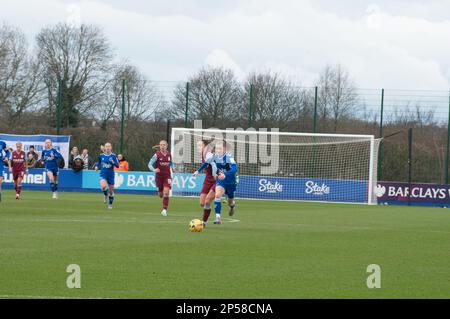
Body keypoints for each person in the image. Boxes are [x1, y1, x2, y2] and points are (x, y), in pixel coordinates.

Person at [194, 140, 238, 224]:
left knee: (230, 201)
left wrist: (225, 174)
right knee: (217, 195)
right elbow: (206, 162)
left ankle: (232, 206)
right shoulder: (215, 156)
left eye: (220, 148)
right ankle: (218, 218)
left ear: (224, 149)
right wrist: (197, 171)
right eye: (217, 148)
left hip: (231, 182)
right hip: (221, 181)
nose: (218, 150)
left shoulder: (229, 157)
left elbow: (235, 169)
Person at [148, 140, 174, 217]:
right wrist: (153, 169)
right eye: (161, 145)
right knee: (160, 194)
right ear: (159, 146)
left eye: (164, 145)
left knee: (166, 192)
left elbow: (171, 163)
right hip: (159, 177)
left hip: (167, 176)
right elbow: (149, 164)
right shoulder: (157, 155)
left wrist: (173, 168)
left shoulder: (169, 154)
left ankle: (164, 210)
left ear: (167, 146)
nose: (162, 146)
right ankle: (159, 190)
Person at [194, 140, 216, 225]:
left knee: (207, 201)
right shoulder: (202, 155)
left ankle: (203, 222)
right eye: (197, 145)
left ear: (205, 146)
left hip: (216, 179)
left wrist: (215, 174)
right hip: (207, 179)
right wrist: (198, 171)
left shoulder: (208, 154)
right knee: (202, 203)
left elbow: (214, 165)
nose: (198, 147)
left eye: (200, 145)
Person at [94, 142, 119, 209]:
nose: (107, 147)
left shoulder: (113, 156)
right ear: (104, 148)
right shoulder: (101, 155)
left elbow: (117, 165)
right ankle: (105, 195)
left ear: (111, 148)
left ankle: (110, 204)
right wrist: (96, 166)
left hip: (110, 174)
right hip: (103, 173)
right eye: (106, 146)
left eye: (109, 146)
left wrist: (113, 162)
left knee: (111, 192)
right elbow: (98, 162)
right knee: (103, 186)